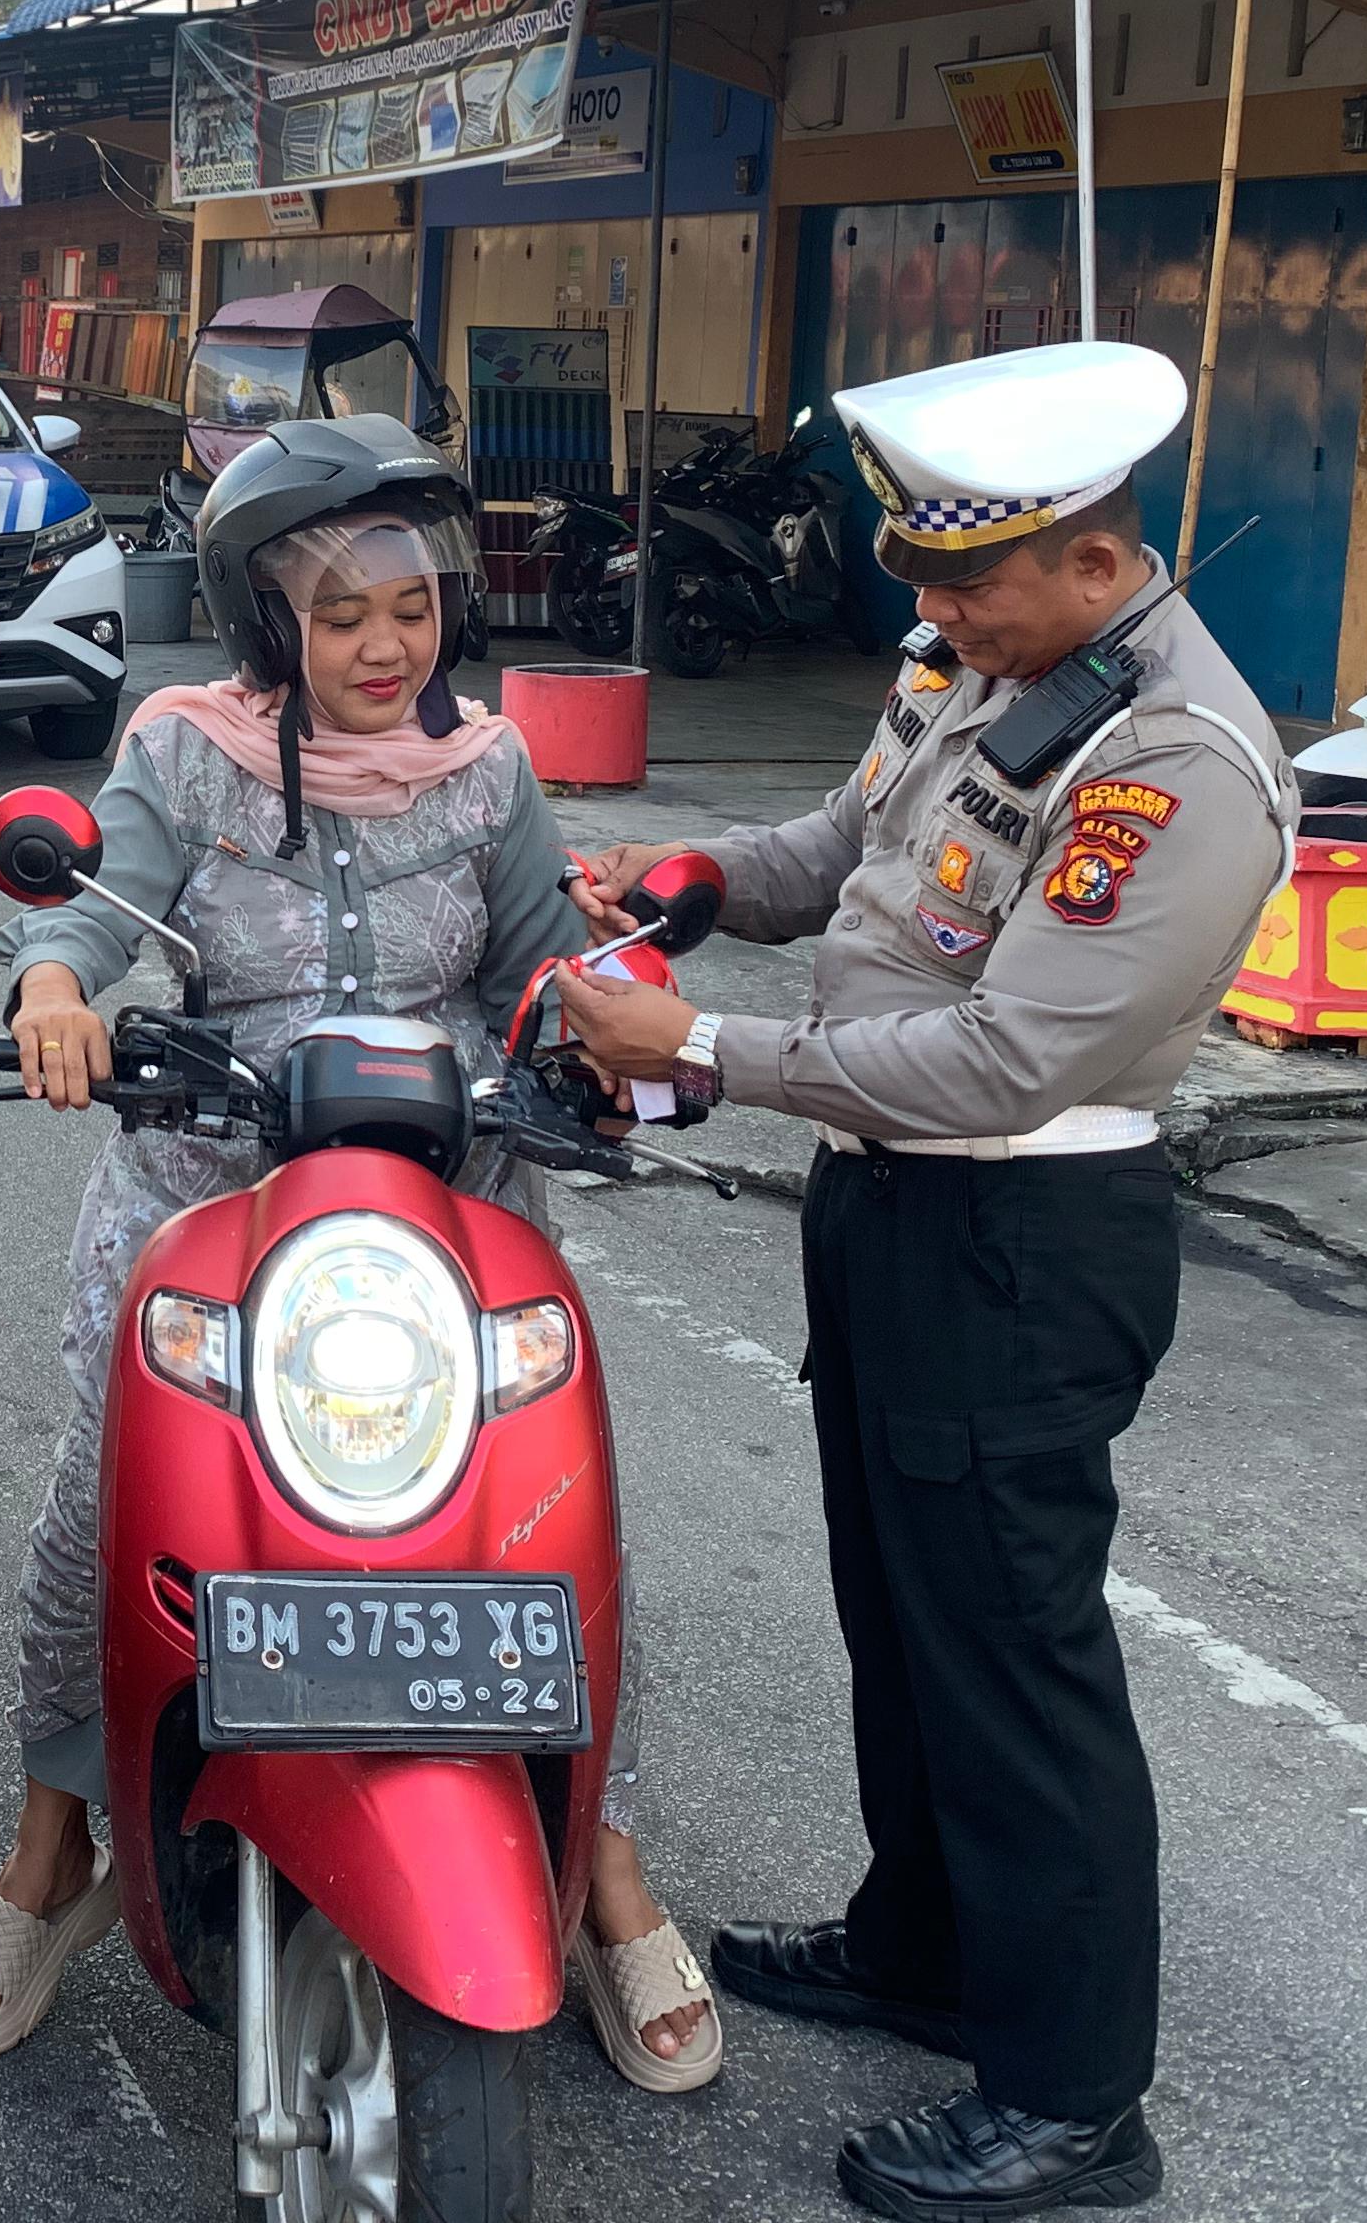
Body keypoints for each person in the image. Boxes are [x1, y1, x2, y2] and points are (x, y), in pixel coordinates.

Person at [550, 343, 1294, 2220]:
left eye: (970, 582)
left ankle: (1070, 2101)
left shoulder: (1175, 766)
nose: (936, 616)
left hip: (1020, 1242)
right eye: (928, 585)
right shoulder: (991, 670)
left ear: (1093, 554)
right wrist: (694, 870)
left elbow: (1005, 1064)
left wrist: (695, 1038)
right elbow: (851, 853)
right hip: (888, 1215)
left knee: (1018, 1664)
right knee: (904, 1620)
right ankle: (927, 1948)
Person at [0, 415, 720, 2096]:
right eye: (344, 614)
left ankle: (605, 1866)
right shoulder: (183, 750)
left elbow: (542, 959)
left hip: (452, 1199)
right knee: (107, 1509)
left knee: (552, 1520)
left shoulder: (491, 767)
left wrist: (610, 1034)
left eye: (413, 609)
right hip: (207, 1198)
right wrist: (59, 988)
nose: (387, 647)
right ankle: (52, 1849)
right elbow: (96, 903)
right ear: (268, 621)